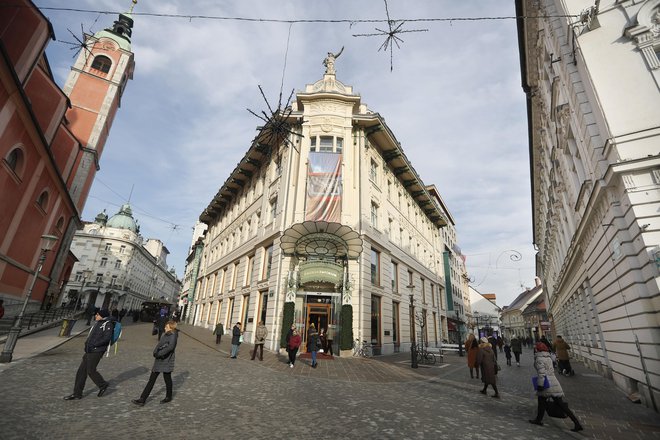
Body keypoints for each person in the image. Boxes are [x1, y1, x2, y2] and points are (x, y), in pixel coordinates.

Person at [529, 342, 583, 432]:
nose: (535, 349)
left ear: (537, 349)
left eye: (536, 348)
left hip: (546, 383)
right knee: (558, 404)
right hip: (553, 381)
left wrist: (540, 385)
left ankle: (538, 420)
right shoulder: (548, 356)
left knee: (543, 402)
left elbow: (542, 373)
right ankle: (576, 423)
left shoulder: (539, 358)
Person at [64, 309, 112, 400]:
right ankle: (77, 393)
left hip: (96, 351)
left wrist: (94, 345)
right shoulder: (97, 323)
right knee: (81, 372)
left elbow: (107, 338)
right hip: (89, 350)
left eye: (97, 314)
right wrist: (87, 344)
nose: (96, 316)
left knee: (91, 370)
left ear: (102, 315)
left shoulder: (107, 324)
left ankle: (103, 385)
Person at [132, 320, 178, 406]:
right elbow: (159, 345)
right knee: (152, 379)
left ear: (170, 327)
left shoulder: (173, 336)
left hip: (166, 360)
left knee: (167, 379)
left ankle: (168, 396)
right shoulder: (165, 335)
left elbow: (170, 348)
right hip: (159, 360)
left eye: (166, 326)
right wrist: (155, 352)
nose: (164, 327)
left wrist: (159, 353)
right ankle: (142, 399)